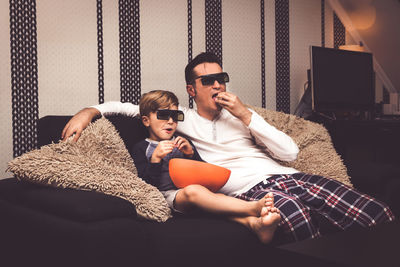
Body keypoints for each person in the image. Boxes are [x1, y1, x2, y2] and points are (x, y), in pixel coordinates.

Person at [62, 52, 395, 243]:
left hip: (287, 174)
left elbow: (291, 153)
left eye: (221, 77)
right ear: (192, 90)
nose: (218, 84)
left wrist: (246, 115)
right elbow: (129, 108)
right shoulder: (180, 119)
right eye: (208, 81)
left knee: (375, 212)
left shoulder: (244, 116)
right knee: (297, 214)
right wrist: (87, 112)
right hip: (246, 188)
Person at [130, 89, 281, 244]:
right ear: (146, 121)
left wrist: (190, 154)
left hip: (197, 193)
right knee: (193, 191)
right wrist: (155, 160)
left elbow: (202, 170)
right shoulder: (142, 148)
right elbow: (145, 185)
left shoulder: (182, 142)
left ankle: (256, 225)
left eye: (175, 116)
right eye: (163, 115)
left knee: (218, 200)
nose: (170, 121)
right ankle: (253, 208)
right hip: (167, 197)